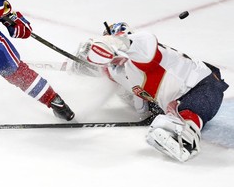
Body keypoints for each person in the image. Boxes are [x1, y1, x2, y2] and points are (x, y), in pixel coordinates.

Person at [72, 22, 229, 162]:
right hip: (172, 101)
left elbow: (135, 44)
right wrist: (81, 65)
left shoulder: (141, 46)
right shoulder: (118, 71)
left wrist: (113, 43)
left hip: (203, 84)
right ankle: (177, 126)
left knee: (190, 111)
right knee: (165, 114)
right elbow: (108, 73)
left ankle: (186, 139)